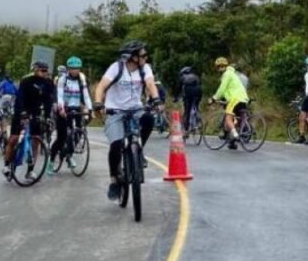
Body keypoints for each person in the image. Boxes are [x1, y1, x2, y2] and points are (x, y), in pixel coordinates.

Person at [92, 41, 161, 201]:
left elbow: (150, 84)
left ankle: (139, 149)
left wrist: (156, 99)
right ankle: (114, 180)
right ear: (132, 57)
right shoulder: (116, 68)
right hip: (115, 111)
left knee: (149, 119)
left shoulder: (145, 68)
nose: (146, 57)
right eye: (142, 55)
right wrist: (98, 102)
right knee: (116, 144)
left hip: (136, 109)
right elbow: (101, 86)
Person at [2, 61, 56, 182]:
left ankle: (30, 170)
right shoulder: (26, 80)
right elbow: (20, 98)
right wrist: (22, 113)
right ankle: (6, 164)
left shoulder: (48, 82)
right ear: (35, 70)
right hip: (21, 111)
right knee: (14, 139)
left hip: (36, 113)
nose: (45, 73)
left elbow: (48, 100)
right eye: (42, 70)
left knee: (35, 141)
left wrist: (47, 116)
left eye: (46, 71)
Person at [51, 56, 92, 172]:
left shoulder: (82, 78)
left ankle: (69, 155)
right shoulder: (62, 79)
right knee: (62, 137)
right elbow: (59, 96)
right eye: (73, 68)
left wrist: (89, 110)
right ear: (68, 69)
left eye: (77, 68)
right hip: (64, 108)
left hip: (76, 107)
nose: (75, 70)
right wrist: (61, 109)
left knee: (78, 133)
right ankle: (52, 159)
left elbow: (86, 95)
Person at [208, 57, 250, 149]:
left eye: (219, 67)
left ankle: (235, 136)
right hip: (243, 98)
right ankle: (232, 142)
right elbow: (231, 88)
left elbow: (222, 89)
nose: (219, 69)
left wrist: (213, 98)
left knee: (228, 119)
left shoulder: (227, 74)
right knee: (235, 121)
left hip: (235, 99)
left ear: (219, 68)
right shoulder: (233, 74)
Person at [177, 66, 202, 137]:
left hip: (188, 92)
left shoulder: (182, 77)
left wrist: (175, 97)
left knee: (187, 111)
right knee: (196, 105)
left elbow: (178, 88)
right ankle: (198, 118)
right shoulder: (196, 76)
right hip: (198, 91)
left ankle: (186, 130)